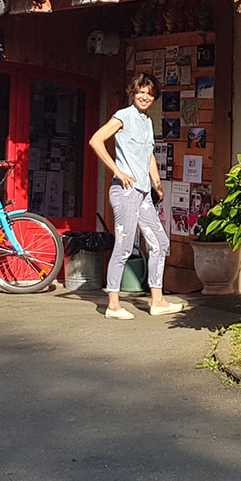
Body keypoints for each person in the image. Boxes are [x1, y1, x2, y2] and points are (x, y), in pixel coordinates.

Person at [87, 72, 181, 319]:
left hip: (143, 193)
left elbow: (148, 154)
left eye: (149, 94)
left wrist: (157, 183)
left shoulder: (147, 122)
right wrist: (117, 170)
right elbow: (96, 140)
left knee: (160, 243)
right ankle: (113, 305)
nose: (144, 97)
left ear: (154, 98)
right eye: (140, 92)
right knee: (124, 246)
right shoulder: (123, 116)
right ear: (133, 92)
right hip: (125, 191)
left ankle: (158, 300)